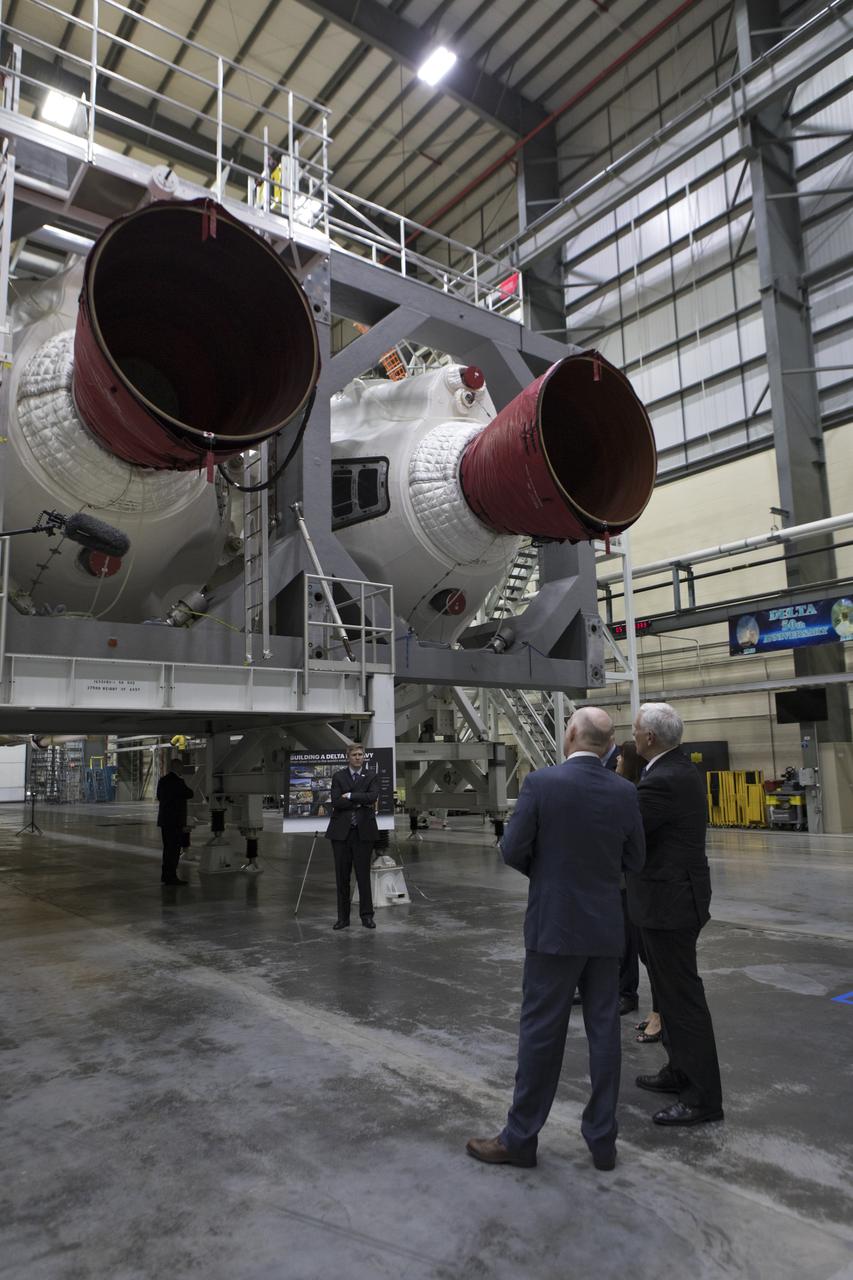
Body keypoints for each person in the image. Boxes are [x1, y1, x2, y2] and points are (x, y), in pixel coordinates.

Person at [466, 707, 645, 1173]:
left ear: (570, 735)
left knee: (542, 1032)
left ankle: (521, 1139)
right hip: (606, 929)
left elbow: (512, 849)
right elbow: (636, 858)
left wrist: (547, 877)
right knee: (605, 1032)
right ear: (608, 746)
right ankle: (603, 1141)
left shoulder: (542, 784)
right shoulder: (625, 791)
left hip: (554, 929)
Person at [627, 702, 724, 1126]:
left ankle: (703, 1099)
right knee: (668, 994)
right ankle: (679, 1070)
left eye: (635, 732)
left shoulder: (662, 780)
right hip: (670, 898)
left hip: (669, 903)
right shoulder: (675, 769)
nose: (633, 738)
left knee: (681, 1000)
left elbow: (628, 831)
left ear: (649, 738)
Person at [615, 741, 661, 1041]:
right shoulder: (629, 791)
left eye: (620, 757)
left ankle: (657, 1011)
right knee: (627, 943)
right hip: (624, 882)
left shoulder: (639, 794)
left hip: (636, 883)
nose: (616, 760)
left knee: (644, 949)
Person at [325, 743, 379, 930]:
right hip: (341, 835)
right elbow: (336, 801)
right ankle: (343, 918)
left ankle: (367, 916)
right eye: (354, 754)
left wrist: (350, 796)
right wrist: (358, 800)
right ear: (348, 756)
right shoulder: (338, 776)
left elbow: (372, 797)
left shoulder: (371, 776)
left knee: (363, 877)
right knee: (342, 878)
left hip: (363, 833)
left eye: (361, 754)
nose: (358, 757)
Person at [156, 757, 193, 886]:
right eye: (181, 767)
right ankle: (172, 877)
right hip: (176, 822)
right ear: (177, 767)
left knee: (167, 850)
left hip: (164, 821)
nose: (182, 769)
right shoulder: (179, 782)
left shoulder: (162, 781)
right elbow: (190, 794)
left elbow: (159, 796)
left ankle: (165, 876)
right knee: (174, 850)